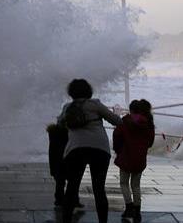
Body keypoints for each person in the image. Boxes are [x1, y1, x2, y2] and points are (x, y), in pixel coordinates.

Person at [57, 79, 122, 223]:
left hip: (75, 149)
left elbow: (59, 124)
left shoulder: (67, 107)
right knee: (99, 189)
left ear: (71, 92)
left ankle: (66, 220)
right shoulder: (95, 104)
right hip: (99, 148)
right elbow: (117, 121)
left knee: (72, 187)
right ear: (88, 91)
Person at [113, 99, 155, 222]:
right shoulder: (148, 123)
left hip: (125, 156)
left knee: (124, 183)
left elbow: (116, 135)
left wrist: (118, 150)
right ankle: (137, 209)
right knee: (136, 185)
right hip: (140, 158)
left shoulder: (125, 121)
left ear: (131, 110)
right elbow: (150, 142)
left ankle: (129, 206)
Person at [46, 122, 83, 208]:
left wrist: (53, 169)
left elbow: (52, 153)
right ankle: (73, 200)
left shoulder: (54, 134)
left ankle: (59, 200)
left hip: (58, 163)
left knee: (60, 182)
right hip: (68, 161)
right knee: (73, 181)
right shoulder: (71, 134)